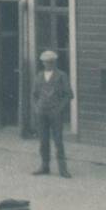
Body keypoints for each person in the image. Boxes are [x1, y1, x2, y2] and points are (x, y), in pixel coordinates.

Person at [32, 50, 73, 178]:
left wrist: (60, 108)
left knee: (58, 140)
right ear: (42, 63)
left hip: (55, 113)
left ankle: (63, 169)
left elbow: (69, 94)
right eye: (45, 62)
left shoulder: (61, 76)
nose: (48, 64)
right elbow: (34, 94)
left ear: (54, 62)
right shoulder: (39, 76)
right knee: (43, 140)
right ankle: (45, 166)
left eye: (50, 62)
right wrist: (37, 107)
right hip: (42, 112)